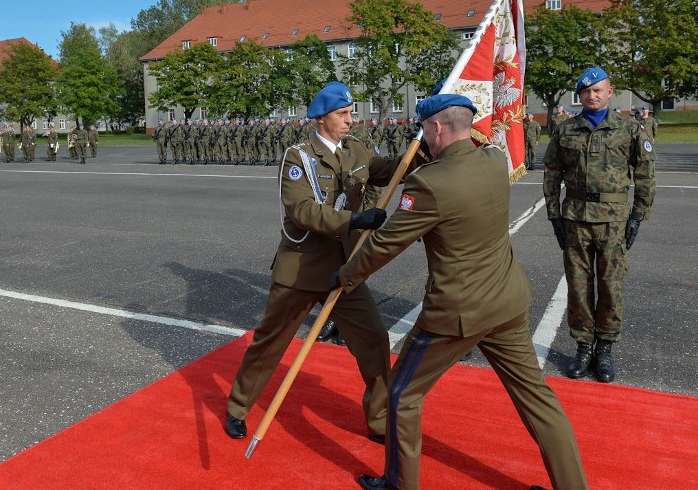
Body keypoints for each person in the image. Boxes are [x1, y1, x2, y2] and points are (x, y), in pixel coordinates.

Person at [343, 93, 588, 490]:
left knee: (403, 395)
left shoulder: (429, 182)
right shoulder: (494, 160)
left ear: (436, 127)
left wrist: (346, 276)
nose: (421, 137)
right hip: (506, 301)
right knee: (537, 401)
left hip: (457, 313)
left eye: (423, 129)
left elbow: (386, 244)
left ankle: (399, 483)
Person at [224, 81, 421, 444]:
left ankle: (378, 421)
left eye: (351, 113)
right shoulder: (298, 157)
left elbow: (391, 169)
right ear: (320, 118)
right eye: (342, 114)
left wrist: (421, 145)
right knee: (269, 343)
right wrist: (354, 221)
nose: (350, 120)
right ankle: (237, 407)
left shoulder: (356, 150)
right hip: (301, 268)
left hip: (344, 269)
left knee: (375, 341)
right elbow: (301, 212)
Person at [544, 67, 656, 384]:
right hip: (576, 219)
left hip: (614, 221)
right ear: (579, 96)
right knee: (578, 287)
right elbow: (551, 174)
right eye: (585, 92)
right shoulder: (565, 131)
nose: (591, 96)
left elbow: (646, 175)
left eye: (597, 90)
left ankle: (604, 349)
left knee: (611, 287)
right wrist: (554, 216)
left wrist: (637, 216)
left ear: (610, 92)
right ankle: (583, 347)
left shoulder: (631, 129)